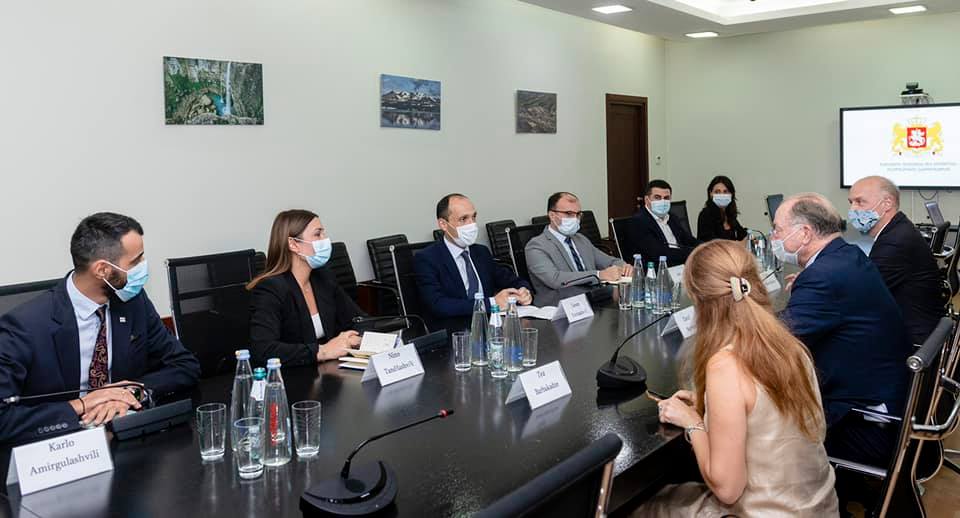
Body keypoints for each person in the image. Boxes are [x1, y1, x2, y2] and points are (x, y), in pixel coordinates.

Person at [637, 240, 838, 516]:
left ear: (698, 301)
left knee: (643, 506)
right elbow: (766, 409)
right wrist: (712, 405)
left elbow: (727, 489)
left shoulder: (725, 366)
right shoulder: (790, 346)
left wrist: (693, 422)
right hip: (821, 508)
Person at [0, 212, 201, 445]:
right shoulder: (25, 326)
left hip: (122, 436)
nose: (143, 267)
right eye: (135, 262)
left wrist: (131, 392)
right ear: (102, 270)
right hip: (57, 447)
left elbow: (185, 365)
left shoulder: (133, 303)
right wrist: (82, 404)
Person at [775, 193, 911, 467]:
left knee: (758, 425)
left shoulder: (824, 275)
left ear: (805, 233)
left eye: (777, 229)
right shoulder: (846, 255)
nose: (773, 237)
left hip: (864, 422)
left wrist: (744, 309)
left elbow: (775, 340)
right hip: (889, 398)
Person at [247, 210, 364, 366]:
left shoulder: (323, 277)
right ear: (293, 244)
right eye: (317, 234)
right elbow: (263, 349)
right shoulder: (270, 288)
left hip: (328, 369)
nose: (325, 240)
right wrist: (322, 351)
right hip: (292, 374)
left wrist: (354, 338)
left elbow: (358, 319)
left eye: (323, 233)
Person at [848, 175, 946, 345]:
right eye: (851, 202)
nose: (852, 209)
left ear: (887, 203)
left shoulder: (895, 242)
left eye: (860, 202)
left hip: (912, 342)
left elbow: (859, 296)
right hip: (919, 328)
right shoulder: (899, 229)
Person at [415, 194, 532, 331]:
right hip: (454, 331)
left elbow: (512, 280)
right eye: (463, 219)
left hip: (491, 326)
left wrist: (523, 291)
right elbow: (438, 305)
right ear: (443, 224)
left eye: (473, 217)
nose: (471, 224)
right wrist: (492, 303)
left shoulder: (481, 252)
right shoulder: (427, 258)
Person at [525, 192, 631, 307]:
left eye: (578, 214)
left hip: (594, 298)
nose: (575, 219)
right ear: (552, 215)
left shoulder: (580, 239)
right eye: (569, 214)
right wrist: (599, 275)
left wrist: (624, 267)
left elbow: (609, 261)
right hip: (561, 305)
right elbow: (555, 279)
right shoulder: (536, 246)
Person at [626, 179, 699, 266]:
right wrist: (694, 252)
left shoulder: (672, 217)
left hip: (680, 263)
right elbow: (658, 253)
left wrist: (705, 247)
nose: (662, 201)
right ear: (647, 199)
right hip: (658, 268)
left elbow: (687, 239)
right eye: (657, 197)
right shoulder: (638, 222)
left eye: (666, 198)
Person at [696, 175, 748, 242]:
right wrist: (737, 244)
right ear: (710, 193)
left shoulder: (729, 215)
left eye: (725, 192)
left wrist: (751, 239)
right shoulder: (705, 215)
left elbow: (743, 235)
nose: (721, 195)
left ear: (731, 194)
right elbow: (712, 243)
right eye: (717, 192)